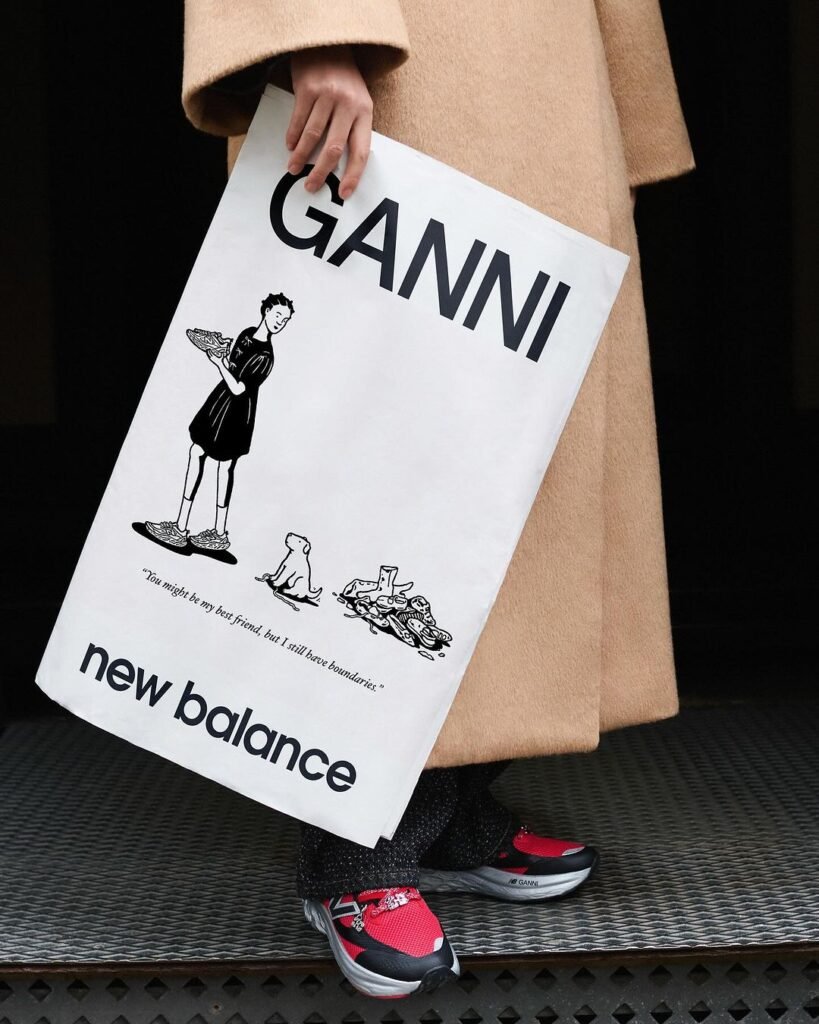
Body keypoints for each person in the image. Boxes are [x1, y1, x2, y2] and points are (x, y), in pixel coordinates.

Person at [180, 0, 695, 998]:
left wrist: (622, 97)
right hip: (408, 70)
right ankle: (355, 850)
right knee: (387, 474)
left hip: (541, 73)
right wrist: (313, 33)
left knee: (516, 467)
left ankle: (450, 807)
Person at [145, 292, 293, 553]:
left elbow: (239, 388)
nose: (281, 322)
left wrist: (217, 363)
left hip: (237, 412)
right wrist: (221, 356)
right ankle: (185, 527)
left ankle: (213, 532)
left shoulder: (266, 357)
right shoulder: (247, 333)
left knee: (224, 467)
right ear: (267, 311)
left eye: (285, 319)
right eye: (278, 315)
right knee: (198, 452)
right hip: (220, 402)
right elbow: (232, 368)